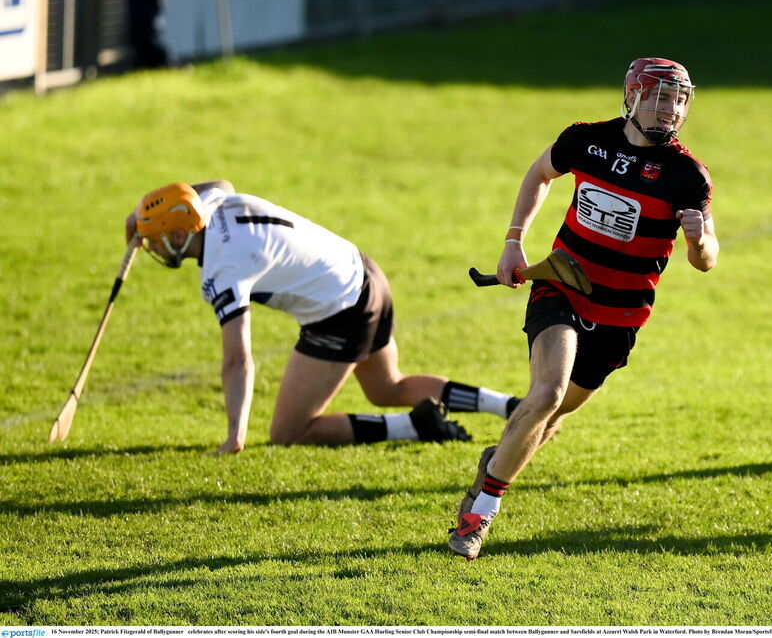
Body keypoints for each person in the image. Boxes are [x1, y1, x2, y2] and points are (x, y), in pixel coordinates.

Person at [448, 57, 719, 559]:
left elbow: (706, 261)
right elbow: (540, 172)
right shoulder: (586, 140)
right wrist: (513, 241)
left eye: (679, 100)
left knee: (549, 419)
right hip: (562, 284)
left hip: (622, 314)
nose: (671, 109)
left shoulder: (687, 175)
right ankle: (477, 514)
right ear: (633, 96)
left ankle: (497, 463)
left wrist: (700, 242)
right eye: (660, 97)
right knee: (547, 393)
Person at [127, 181, 521, 454]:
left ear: (179, 237)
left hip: (343, 311)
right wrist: (144, 212)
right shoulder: (211, 202)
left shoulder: (221, 268)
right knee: (387, 387)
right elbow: (221, 183)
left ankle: (415, 427)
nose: (154, 248)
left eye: (157, 239)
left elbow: (238, 359)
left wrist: (235, 433)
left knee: (289, 433)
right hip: (367, 274)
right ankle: (512, 407)